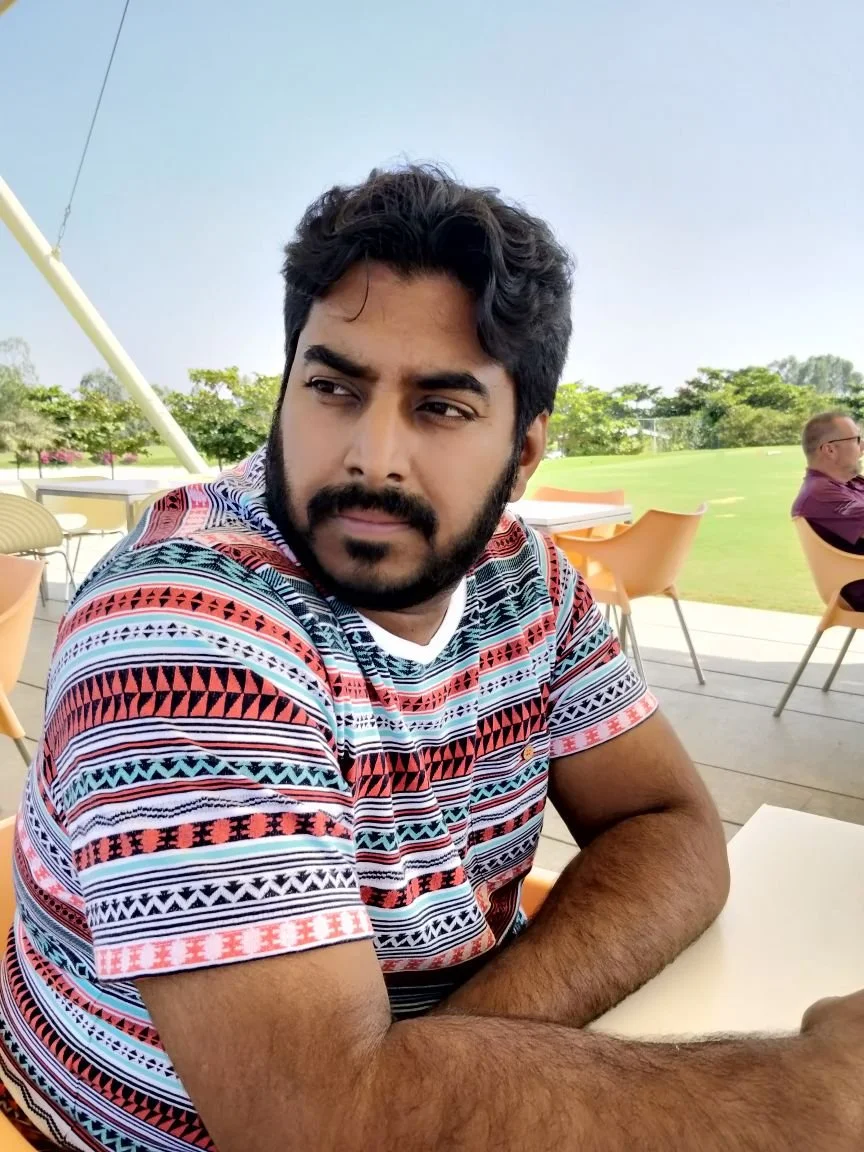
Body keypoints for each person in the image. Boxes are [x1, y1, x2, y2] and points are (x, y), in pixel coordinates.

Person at [1, 166, 862, 1152]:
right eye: (333, 387)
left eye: (442, 407)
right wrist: (809, 1103)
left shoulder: (527, 577)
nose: (371, 455)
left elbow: (667, 822)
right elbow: (315, 1126)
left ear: (525, 450)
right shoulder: (177, 628)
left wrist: (433, 1063)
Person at [793, 410, 864, 609]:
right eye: (857, 440)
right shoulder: (822, 496)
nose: (863, 447)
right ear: (830, 450)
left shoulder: (849, 483)